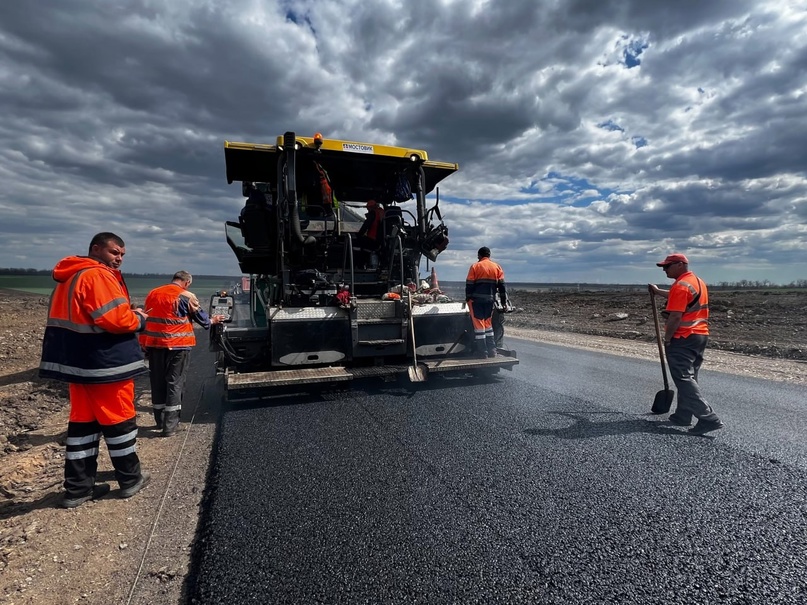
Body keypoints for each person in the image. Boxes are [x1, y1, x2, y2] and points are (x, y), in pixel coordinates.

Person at [39, 232, 151, 508]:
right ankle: (130, 479)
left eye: (122, 254)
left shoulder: (69, 277)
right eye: (115, 252)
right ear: (96, 248)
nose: (119, 259)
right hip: (105, 363)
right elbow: (115, 319)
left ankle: (78, 489)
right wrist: (138, 318)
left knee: (82, 426)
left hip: (79, 365)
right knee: (120, 420)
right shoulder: (97, 276)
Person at [140, 271, 226, 437]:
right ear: (186, 282)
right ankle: (170, 427)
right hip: (178, 346)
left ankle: (160, 421)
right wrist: (213, 320)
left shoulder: (153, 293)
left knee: (157, 382)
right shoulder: (186, 296)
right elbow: (202, 318)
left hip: (155, 345)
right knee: (174, 383)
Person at [649, 253, 724, 435]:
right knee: (689, 377)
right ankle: (682, 415)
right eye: (663, 267)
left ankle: (708, 418)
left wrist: (668, 338)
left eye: (667, 266)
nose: (664, 270)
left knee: (682, 377)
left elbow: (675, 316)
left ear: (680, 265)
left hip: (683, 337)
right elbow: (678, 296)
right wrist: (658, 292)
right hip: (699, 337)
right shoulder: (695, 281)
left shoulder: (681, 286)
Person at [465, 246, 508, 358]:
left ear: (479, 255)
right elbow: (502, 286)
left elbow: (469, 284)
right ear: (489, 255)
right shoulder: (497, 267)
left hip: (476, 301)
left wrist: (468, 297)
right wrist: (503, 302)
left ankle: (482, 352)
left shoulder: (475, 266)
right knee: (488, 326)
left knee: (479, 327)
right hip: (490, 301)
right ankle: (492, 351)